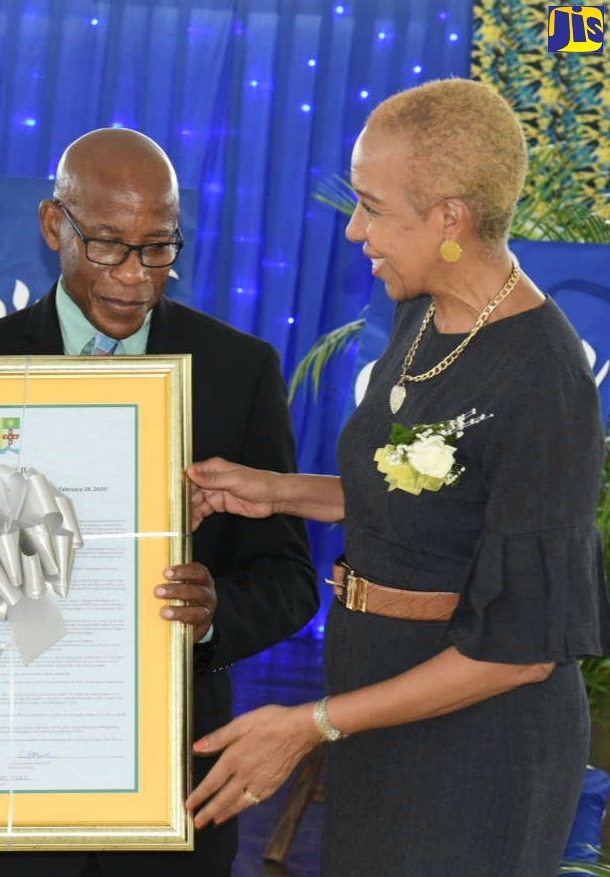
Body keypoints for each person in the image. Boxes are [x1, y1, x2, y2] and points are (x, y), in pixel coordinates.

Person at [184, 78, 610, 876]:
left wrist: (311, 721)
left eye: (373, 206)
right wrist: (275, 490)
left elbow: (519, 649)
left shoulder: (542, 379)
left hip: (478, 741)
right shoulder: (420, 315)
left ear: (450, 217)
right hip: (377, 700)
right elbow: (418, 499)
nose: (353, 229)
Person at [0, 127, 319, 877]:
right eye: (106, 244)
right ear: (55, 226)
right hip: (8, 769)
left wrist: (211, 617)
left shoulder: (239, 371)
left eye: (159, 246)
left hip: (172, 777)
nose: (136, 275)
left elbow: (288, 576)